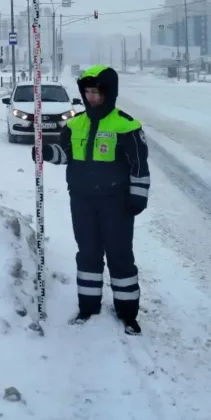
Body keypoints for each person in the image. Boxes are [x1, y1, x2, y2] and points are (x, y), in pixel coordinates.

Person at [31, 64, 149, 335]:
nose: (91, 97)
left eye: (96, 92)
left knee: (120, 256)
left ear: (109, 92)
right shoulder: (75, 124)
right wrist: (46, 152)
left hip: (116, 203)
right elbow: (66, 154)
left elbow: (139, 166)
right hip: (82, 201)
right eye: (87, 92)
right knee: (87, 254)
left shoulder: (126, 125)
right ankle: (88, 306)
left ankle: (127, 312)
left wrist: (138, 197)